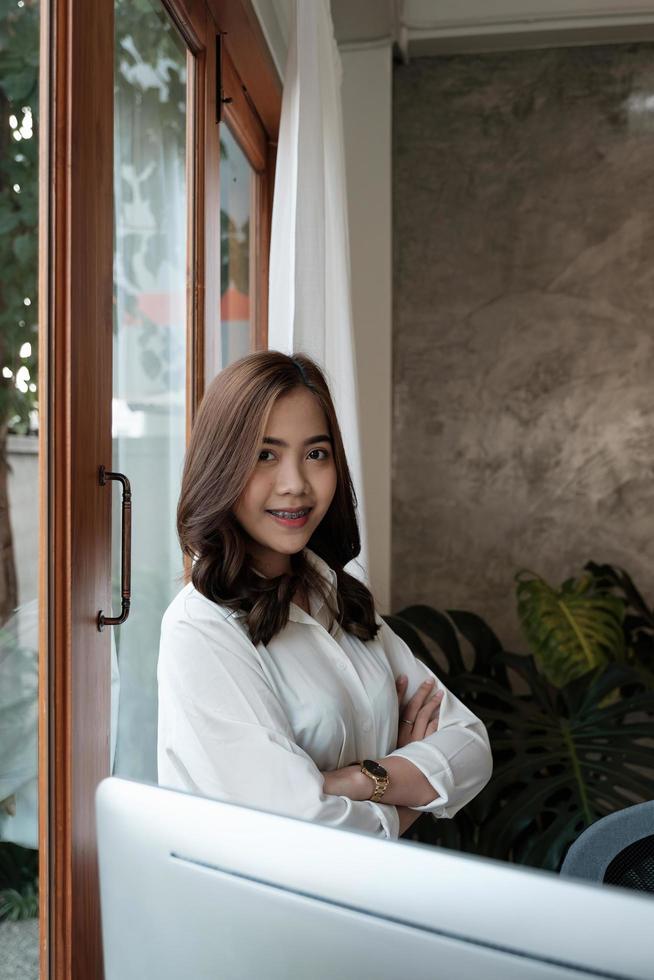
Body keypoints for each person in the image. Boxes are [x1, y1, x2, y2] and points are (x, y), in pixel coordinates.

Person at [157, 351, 492, 840]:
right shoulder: (202, 628)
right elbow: (297, 829)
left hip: (367, 901)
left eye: (316, 454)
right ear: (222, 466)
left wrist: (363, 778)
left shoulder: (339, 599)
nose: (295, 485)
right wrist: (408, 793)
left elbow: (470, 746)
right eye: (264, 455)